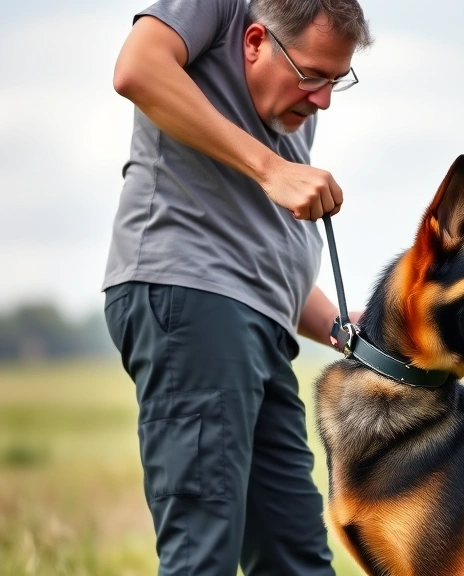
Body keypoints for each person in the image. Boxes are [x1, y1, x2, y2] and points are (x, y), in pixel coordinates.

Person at [101, 0, 371, 573]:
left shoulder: (289, 110)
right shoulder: (215, 7)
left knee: (293, 553)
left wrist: (363, 338)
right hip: (194, 299)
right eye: (311, 76)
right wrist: (273, 170)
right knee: (204, 550)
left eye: (335, 80)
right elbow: (137, 69)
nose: (322, 98)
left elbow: (263, 261)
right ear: (253, 43)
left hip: (257, 323)